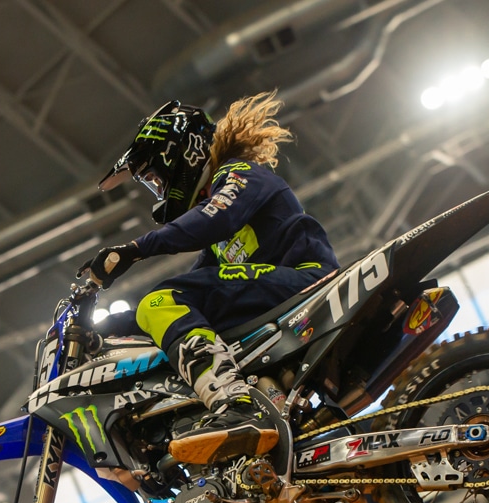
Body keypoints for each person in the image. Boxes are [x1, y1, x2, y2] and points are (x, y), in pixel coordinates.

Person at [79, 92, 339, 466]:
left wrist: (135, 249)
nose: (158, 190)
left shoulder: (238, 173)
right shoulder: (219, 243)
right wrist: (106, 330)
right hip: (279, 295)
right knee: (163, 308)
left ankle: (236, 404)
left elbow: (213, 219)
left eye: (154, 177)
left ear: (182, 153)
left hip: (304, 280)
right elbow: (194, 290)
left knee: (160, 300)